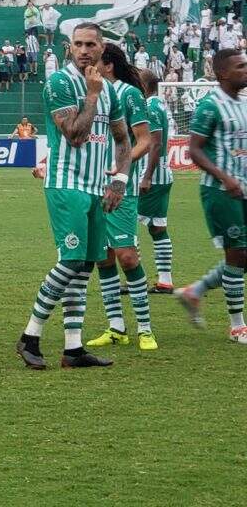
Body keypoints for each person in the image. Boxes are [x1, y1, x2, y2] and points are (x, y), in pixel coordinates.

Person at [16, 22, 132, 370]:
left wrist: (121, 179)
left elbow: (123, 141)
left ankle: (73, 349)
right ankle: (30, 336)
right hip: (67, 185)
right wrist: (92, 95)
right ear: (69, 48)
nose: (83, 50)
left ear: (102, 48)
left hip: (97, 187)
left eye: (90, 45)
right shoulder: (60, 83)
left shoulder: (111, 91)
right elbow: (75, 135)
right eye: (77, 44)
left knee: (83, 268)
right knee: (69, 261)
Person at [85, 44, 157, 351]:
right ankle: (116, 327)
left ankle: (145, 328)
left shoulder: (129, 94)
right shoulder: (90, 95)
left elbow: (145, 140)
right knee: (103, 256)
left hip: (120, 187)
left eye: (96, 57)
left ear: (109, 64)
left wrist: (121, 168)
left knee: (127, 255)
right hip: (90, 185)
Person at [175, 49, 247, 340]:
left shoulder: (243, 104)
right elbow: (194, 149)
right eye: (240, 66)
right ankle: (237, 325)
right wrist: (224, 176)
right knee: (237, 253)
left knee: (244, 257)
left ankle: (195, 291)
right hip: (220, 190)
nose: (246, 69)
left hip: (242, 187)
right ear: (222, 74)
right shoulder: (210, 105)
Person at [136, 69, 175, 293]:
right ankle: (165, 280)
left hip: (151, 177)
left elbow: (155, 143)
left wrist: (147, 176)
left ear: (144, 84)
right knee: (157, 228)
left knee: (126, 225)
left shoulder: (150, 107)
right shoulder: (160, 105)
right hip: (163, 175)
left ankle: (136, 279)